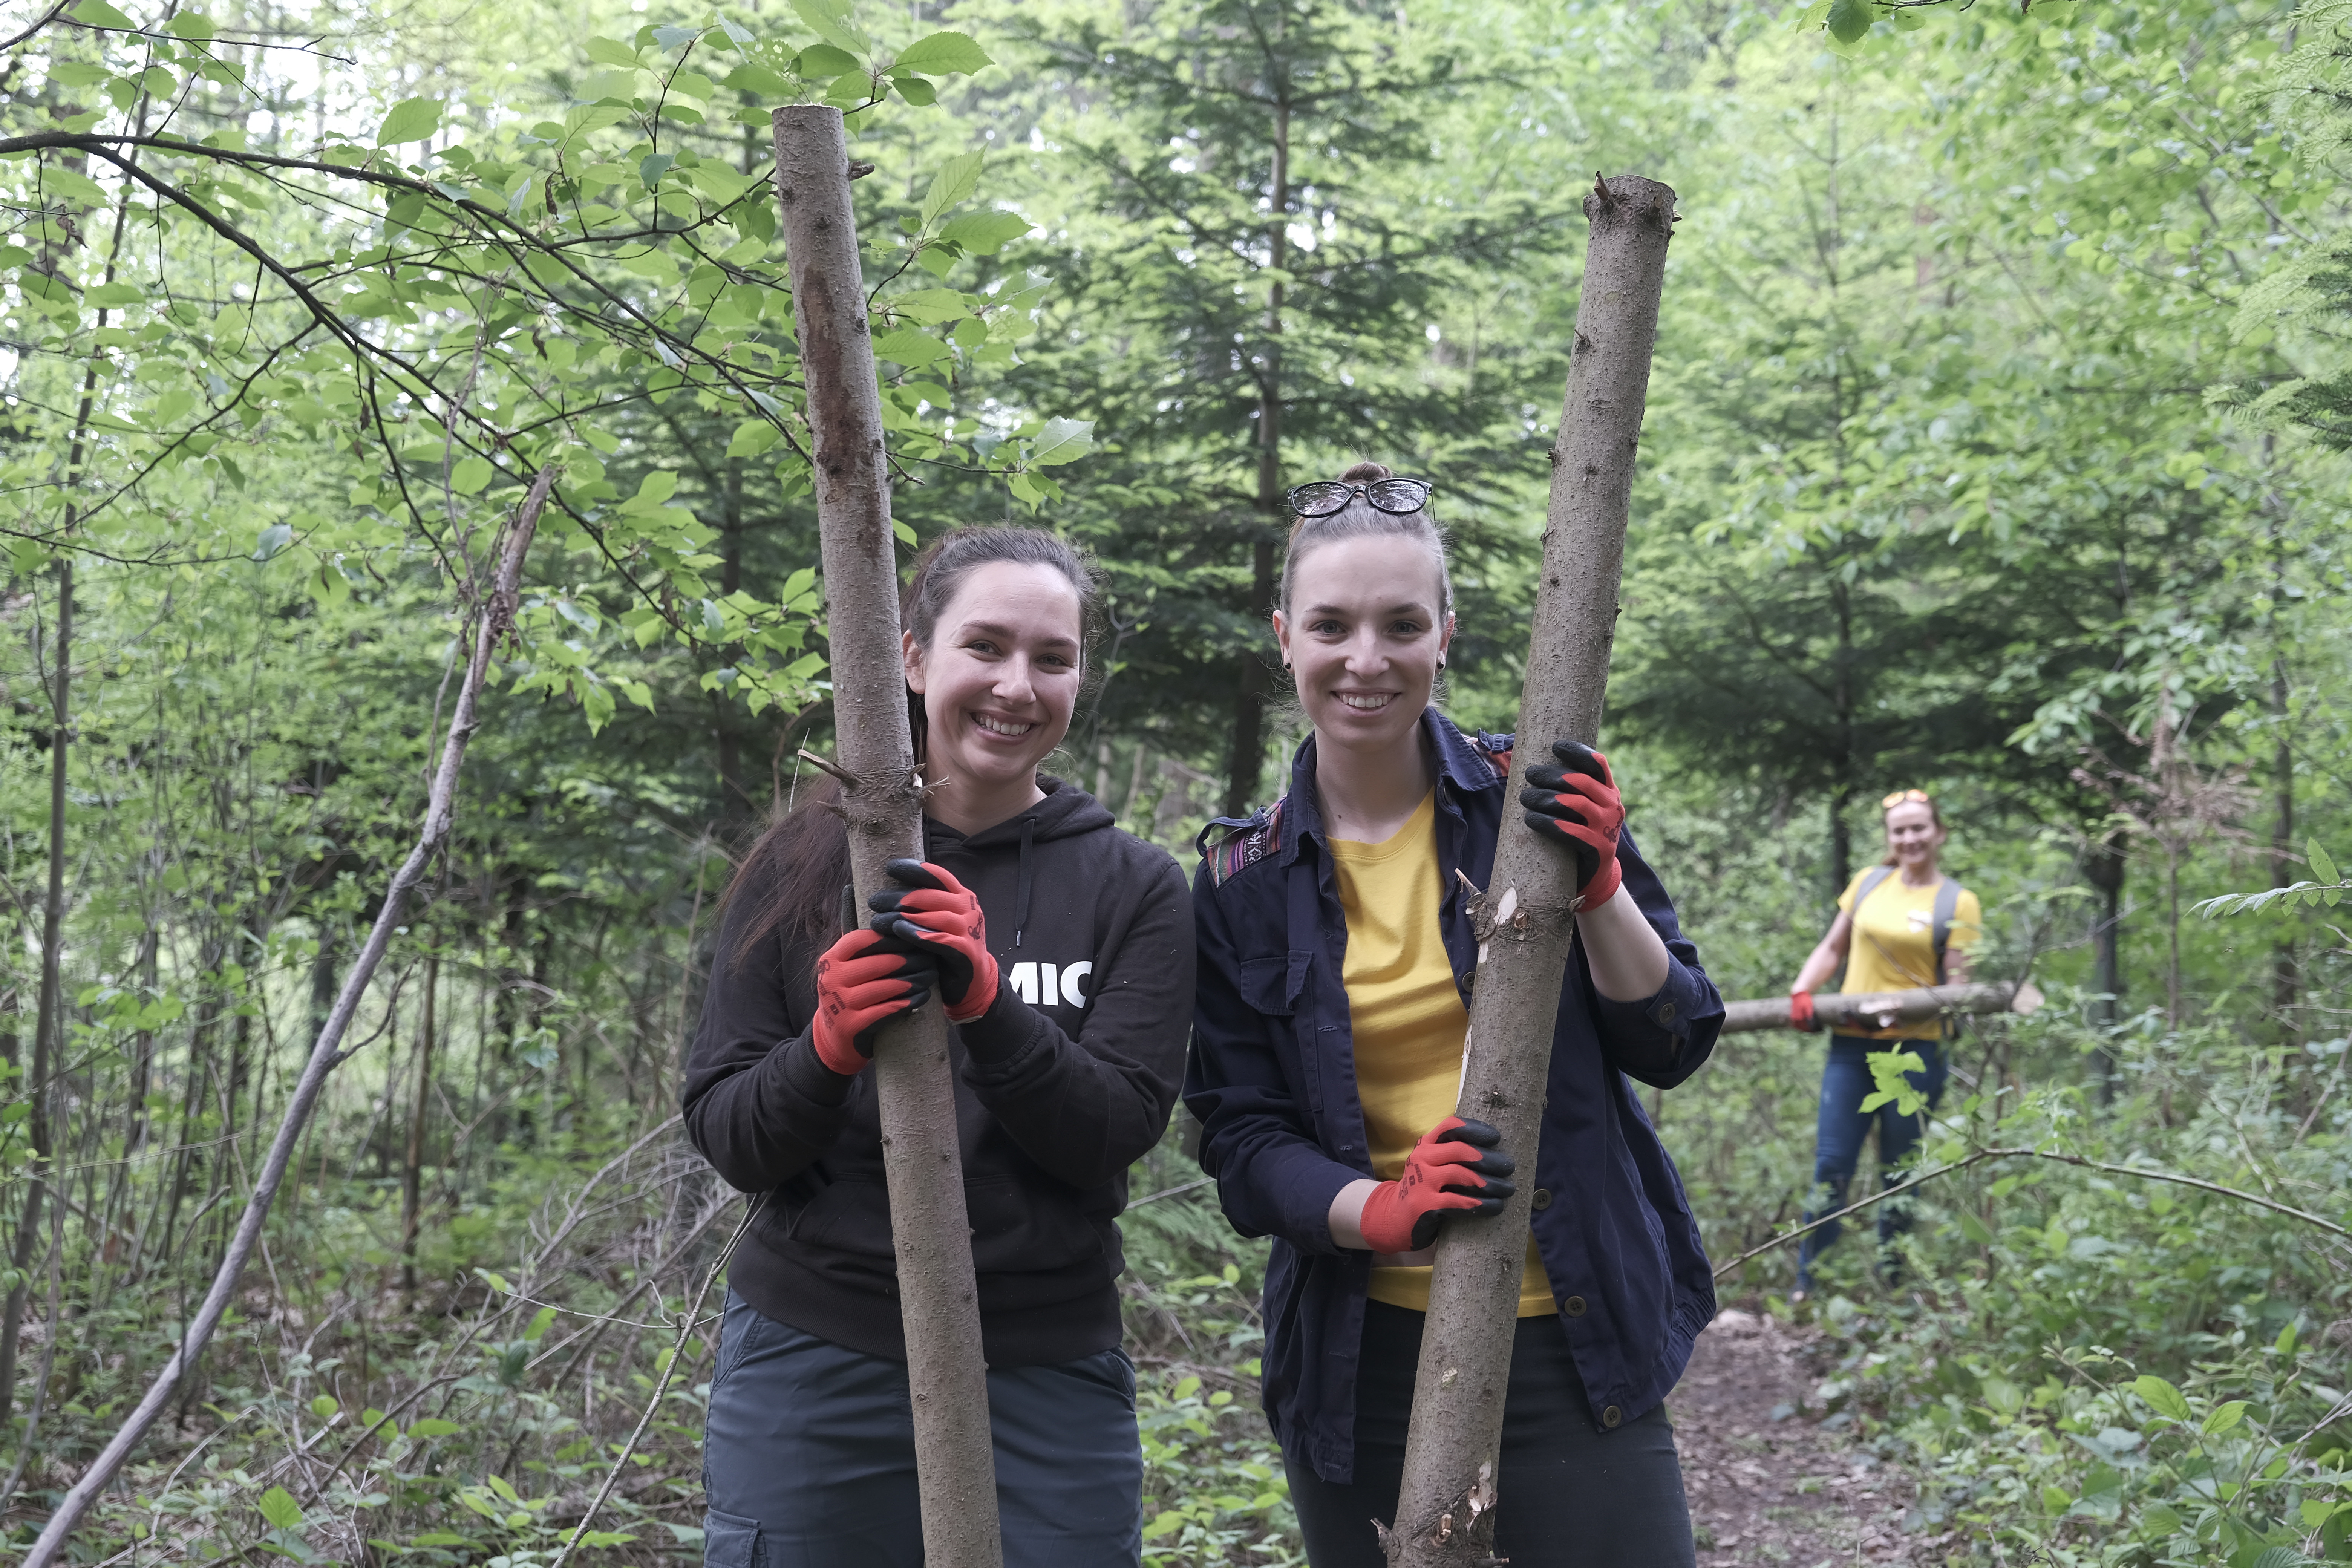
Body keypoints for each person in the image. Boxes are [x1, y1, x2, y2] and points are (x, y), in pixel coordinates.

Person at [1185, 463, 1725, 1567]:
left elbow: (1674, 1039)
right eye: (1332, 626)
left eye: (1401, 624)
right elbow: (1240, 1141)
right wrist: (1376, 1210)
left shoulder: (1533, 801)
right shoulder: (1242, 881)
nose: (1366, 660)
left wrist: (1602, 886)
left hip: (1581, 1351)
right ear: (1286, 637)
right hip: (1361, 1365)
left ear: (1447, 635)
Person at [683, 527, 1195, 1568]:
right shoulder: (801, 863)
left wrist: (989, 1006)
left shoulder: (1133, 886)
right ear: (913, 659)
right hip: (817, 1352)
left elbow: (1114, 1131)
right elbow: (732, 1134)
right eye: (986, 647)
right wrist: (824, 1048)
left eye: (1052, 659)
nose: (1017, 685)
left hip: (1045, 1370)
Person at [1784, 788, 1983, 1297]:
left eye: (1920, 828)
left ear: (1938, 833)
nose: (1910, 838)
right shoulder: (1869, 883)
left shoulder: (1956, 902)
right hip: (1852, 1048)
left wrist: (1906, 1007)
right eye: (1900, 830)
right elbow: (1833, 948)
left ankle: (1893, 1283)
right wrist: (1803, 990)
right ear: (1890, 838)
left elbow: (1956, 989)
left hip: (1917, 1051)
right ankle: (1811, 1284)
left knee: (1899, 1169)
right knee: (1832, 1163)